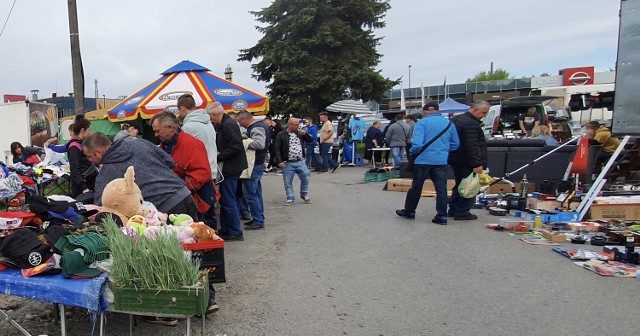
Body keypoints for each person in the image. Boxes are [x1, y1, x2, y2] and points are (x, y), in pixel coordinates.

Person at [83, 133, 197, 218]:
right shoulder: (139, 142)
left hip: (163, 208)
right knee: (199, 241)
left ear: (98, 152)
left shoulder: (106, 173)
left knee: (180, 246)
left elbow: (100, 207)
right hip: (184, 194)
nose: (89, 160)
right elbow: (170, 161)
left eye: (89, 157)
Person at [396, 102, 459, 224]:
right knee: (441, 189)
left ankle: (409, 211)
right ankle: (442, 216)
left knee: (416, 187)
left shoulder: (422, 123)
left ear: (424, 112)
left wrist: (413, 153)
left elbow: (417, 144)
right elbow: (455, 144)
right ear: (438, 111)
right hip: (441, 161)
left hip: (422, 161)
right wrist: (443, 151)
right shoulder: (449, 123)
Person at [151, 111, 213, 219]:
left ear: (170, 127)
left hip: (198, 200)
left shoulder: (191, 144)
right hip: (179, 200)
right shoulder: (164, 146)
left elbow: (202, 173)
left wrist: (178, 188)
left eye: (158, 131)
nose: (155, 135)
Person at [207, 102, 248, 241]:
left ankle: (236, 231)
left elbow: (236, 146)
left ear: (214, 114)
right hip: (231, 167)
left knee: (228, 199)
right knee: (226, 199)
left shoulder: (228, 125)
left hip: (231, 167)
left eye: (209, 116)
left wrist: (218, 155)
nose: (209, 119)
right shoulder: (224, 123)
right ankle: (226, 228)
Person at [177, 94, 219, 227]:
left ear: (182, 108)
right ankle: (213, 239)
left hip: (199, 174)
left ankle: (207, 242)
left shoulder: (189, 127)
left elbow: (185, 150)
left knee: (201, 212)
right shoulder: (208, 123)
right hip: (212, 170)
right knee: (209, 209)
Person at [448, 101, 491, 220]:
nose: (484, 115)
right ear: (475, 110)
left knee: (459, 185)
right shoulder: (471, 124)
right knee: (470, 187)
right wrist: (477, 164)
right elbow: (471, 146)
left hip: (455, 159)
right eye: (484, 112)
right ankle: (462, 211)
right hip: (467, 161)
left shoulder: (456, 119)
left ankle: (453, 208)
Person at [236, 110, 271, 230]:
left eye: (240, 122)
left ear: (244, 119)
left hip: (254, 164)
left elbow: (259, 144)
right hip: (258, 163)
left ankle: (258, 220)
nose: (240, 125)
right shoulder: (261, 126)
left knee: (250, 193)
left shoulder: (256, 128)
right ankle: (258, 218)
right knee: (256, 192)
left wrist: (245, 142)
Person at [273, 117, 313, 205]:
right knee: (288, 182)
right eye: (296, 125)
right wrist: (279, 161)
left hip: (300, 161)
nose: (298, 126)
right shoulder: (281, 135)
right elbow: (276, 148)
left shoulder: (299, 133)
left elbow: (310, 140)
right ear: (290, 125)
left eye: (298, 125)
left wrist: (305, 134)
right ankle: (290, 198)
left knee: (306, 178)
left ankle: (304, 194)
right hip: (288, 162)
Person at [68, 115, 96, 198]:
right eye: (88, 130)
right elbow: (74, 169)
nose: (90, 132)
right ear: (82, 130)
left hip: (89, 183)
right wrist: (84, 187)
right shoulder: (74, 147)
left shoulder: (83, 144)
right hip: (82, 187)